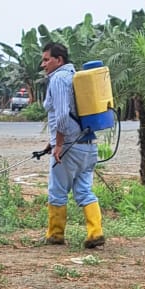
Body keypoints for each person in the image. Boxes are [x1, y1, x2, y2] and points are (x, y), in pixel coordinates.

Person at [40, 41, 105, 249]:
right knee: (84, 190)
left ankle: (55, 234)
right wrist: (51, 143)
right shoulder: (75, 77)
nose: (43, 64)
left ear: (59, 60)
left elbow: (61, 116)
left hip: (69, 147)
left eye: (46, 60)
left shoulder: (59, 79)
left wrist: (58, 144)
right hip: (88, 145)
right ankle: (95, 232)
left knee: (57, 190)